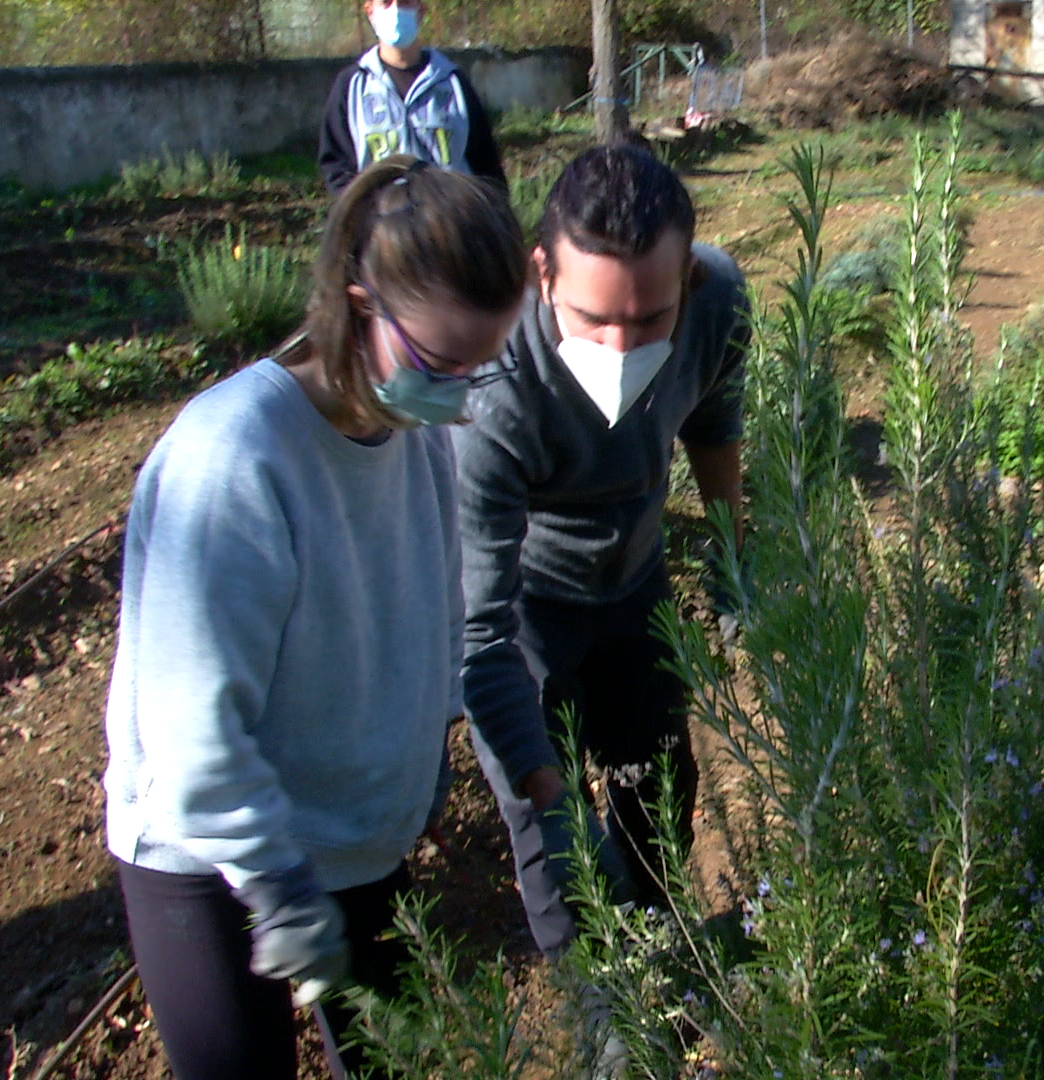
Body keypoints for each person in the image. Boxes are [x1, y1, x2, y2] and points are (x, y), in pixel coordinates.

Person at [100, 156, 555, 1080]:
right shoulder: (234, 462)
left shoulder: (413, 438)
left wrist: (423, 777)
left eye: (482, 364)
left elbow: (436, 623)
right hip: (215, 856)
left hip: (352, 846)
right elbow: (192, 730)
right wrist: (277, 886)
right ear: (357, 305)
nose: (461, 394)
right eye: (440, 363)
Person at [457, 144, 749, 959]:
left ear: (686, 276)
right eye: (593, 320)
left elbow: (713, 428)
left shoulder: (717, 301)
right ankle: (599, 1009)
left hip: (636, 576)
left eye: (650, 319)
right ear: (540, 272)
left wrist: (732, 570)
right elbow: (477, 632)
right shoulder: (494, 384)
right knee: (552, 837)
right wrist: (545, 786)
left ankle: (659, 948)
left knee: (658, 781)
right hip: (529, 600)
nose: (621, 350)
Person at [318, 0, 506, 197]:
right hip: (380, 224)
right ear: (370, 11)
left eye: (406, 2)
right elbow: (336, 167)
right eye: (386, 3)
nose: (396, 10)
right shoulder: (352, 86)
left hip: (449, 223)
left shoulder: (453, 82)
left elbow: (486, 165)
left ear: (421, 10)